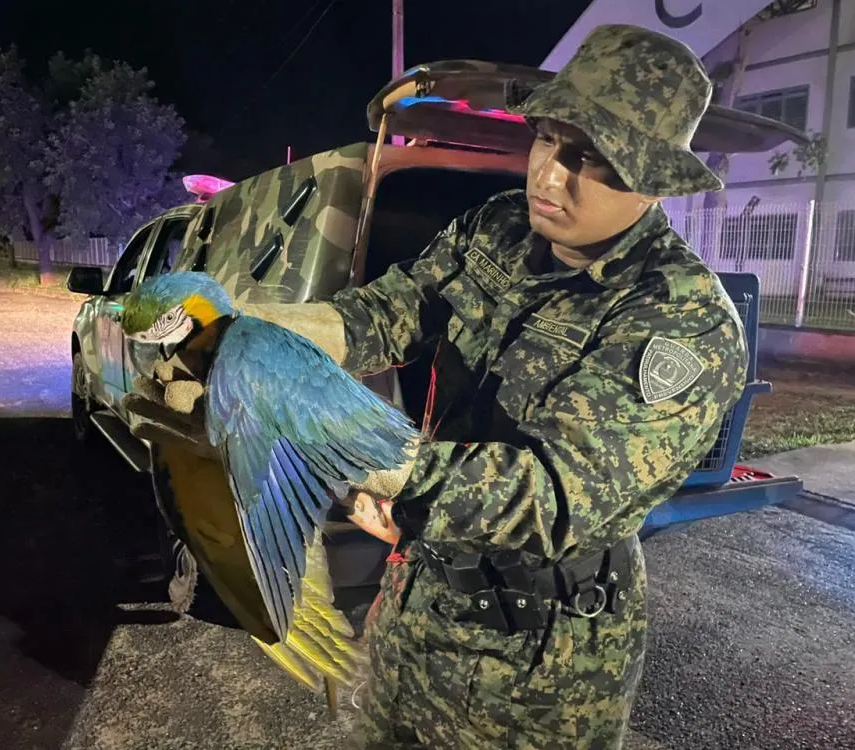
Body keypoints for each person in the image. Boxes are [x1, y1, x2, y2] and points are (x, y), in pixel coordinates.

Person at [137, 23, 748, 749]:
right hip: (416, 600)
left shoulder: (681, 320)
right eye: (550, 139)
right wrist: (254, 335)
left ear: (652, 180)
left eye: (593, 159)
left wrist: (350, 448)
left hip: (538, 666)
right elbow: (392, 311)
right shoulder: (499, 227)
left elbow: (555, 497)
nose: (550, 175)